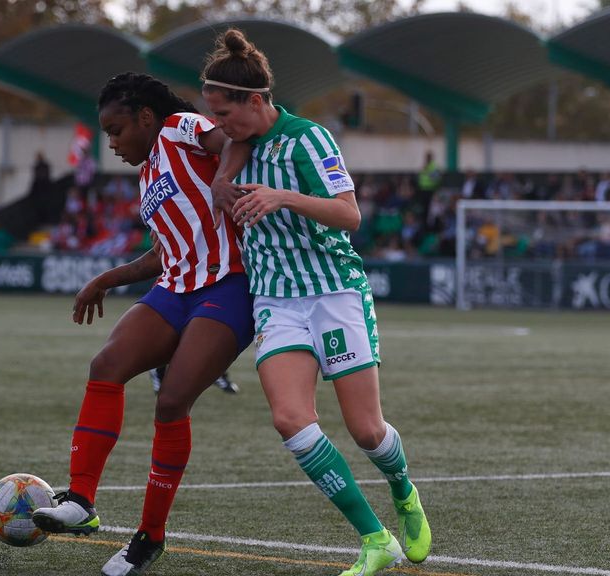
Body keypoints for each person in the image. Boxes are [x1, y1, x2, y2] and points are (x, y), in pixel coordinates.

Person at [201, 30, 431, 576]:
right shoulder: (237, 143)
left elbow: (350, 216)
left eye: (225, 113)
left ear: (255, 101)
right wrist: (220, 182)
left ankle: (402, 489)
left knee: (366, 431)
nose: (219, 126)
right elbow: (226, 149)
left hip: (333, 294)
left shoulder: (309, 140)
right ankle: (375, 539)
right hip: (277, 301)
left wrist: (282, 196)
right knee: (290, 419)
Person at [31, 72, 252, 576]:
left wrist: (223, 178)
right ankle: (82, 501)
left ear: (146, 118)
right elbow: (163, 252)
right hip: (175, 287)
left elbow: (236, 138)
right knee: (106, 365)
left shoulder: (179, 128)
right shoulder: (149, 171)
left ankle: (149, 538)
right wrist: (105, 279)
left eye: (116, 130)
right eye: (106, 133)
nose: (111, 143)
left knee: (173, 399)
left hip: (229, 285)